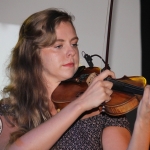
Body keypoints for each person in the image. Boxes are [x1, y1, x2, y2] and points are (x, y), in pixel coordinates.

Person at [0, 8, 140, 150]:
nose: (72, 52)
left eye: (74, 44)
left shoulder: (104, 109)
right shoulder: (10, 110)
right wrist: (81, 104)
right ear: (32, 55)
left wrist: (144, 122)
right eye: (58, 46)